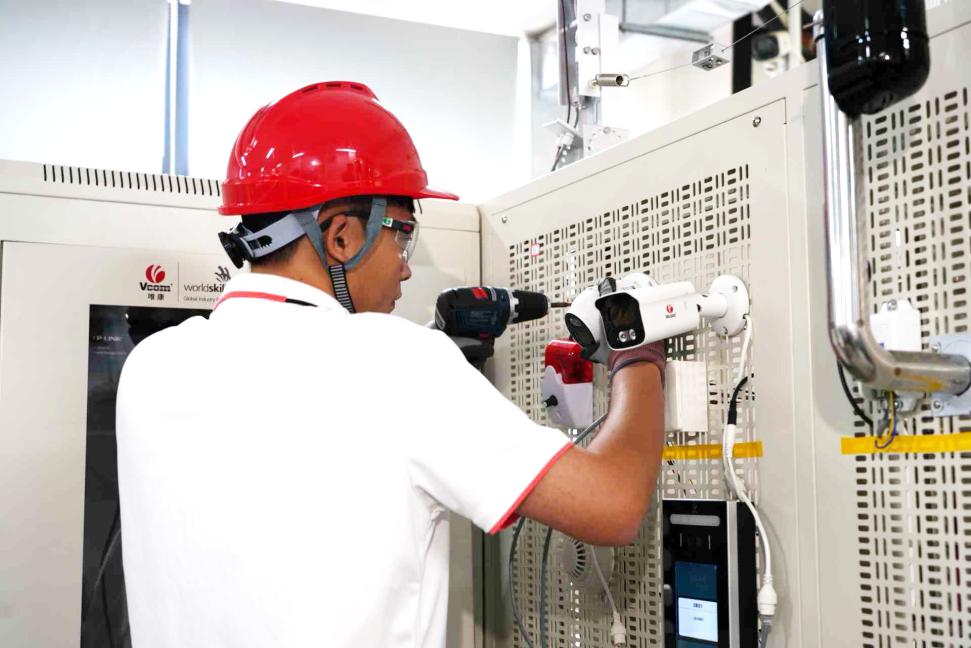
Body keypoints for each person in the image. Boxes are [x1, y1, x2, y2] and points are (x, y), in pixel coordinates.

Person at [116, 81, 666, 648]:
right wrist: (638, 348)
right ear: (341, 235)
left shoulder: (151, 368)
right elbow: (614, 504)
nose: (405, 268)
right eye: (403, 237)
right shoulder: (400, 366)